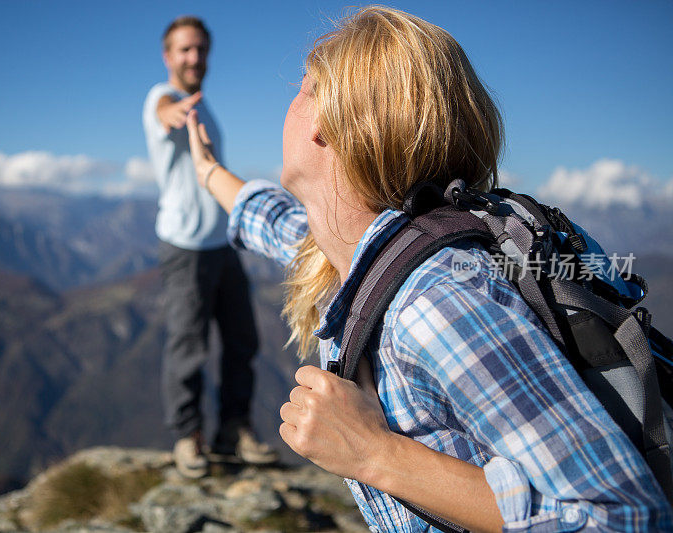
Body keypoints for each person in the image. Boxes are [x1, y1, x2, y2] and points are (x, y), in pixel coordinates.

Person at [184, 6, 673, 531]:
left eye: (302, 89)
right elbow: (282, 228)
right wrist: (209, 173)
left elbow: (623, 518)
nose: (287, 105)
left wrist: (374, 453)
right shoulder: (369, 257)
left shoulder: (434, 299)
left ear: (326, 121)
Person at [142, 15, 277, 479]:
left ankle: (232, 430)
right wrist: (171, 112)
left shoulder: (206, 107)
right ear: (168, 56)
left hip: (222, 241)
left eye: (200, 49)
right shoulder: (163, 99)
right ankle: (188, 435)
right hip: (184, 246)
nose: (194, 57)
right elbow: (162, 109)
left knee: (242, 339)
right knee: (188, 344)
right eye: (184, 50)